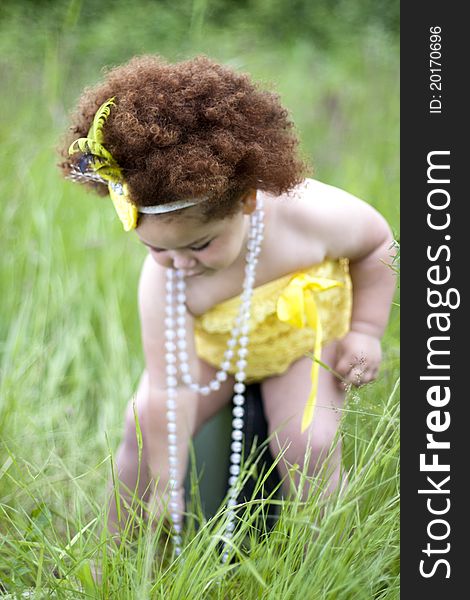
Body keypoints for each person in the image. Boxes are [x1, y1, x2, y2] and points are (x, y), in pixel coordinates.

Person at [58, 55, 396, 549]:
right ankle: (115, 548)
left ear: (247, 203)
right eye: (156, 249)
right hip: (211, 348)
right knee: (140, 426)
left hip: (299, 340)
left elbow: (379, 246)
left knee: (309, 440)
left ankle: (327, 555)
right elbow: (169, 385)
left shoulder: (309, 218)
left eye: (200, 245)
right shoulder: (165, 282)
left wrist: (365, 328)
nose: (180, 264)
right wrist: (170, 475)